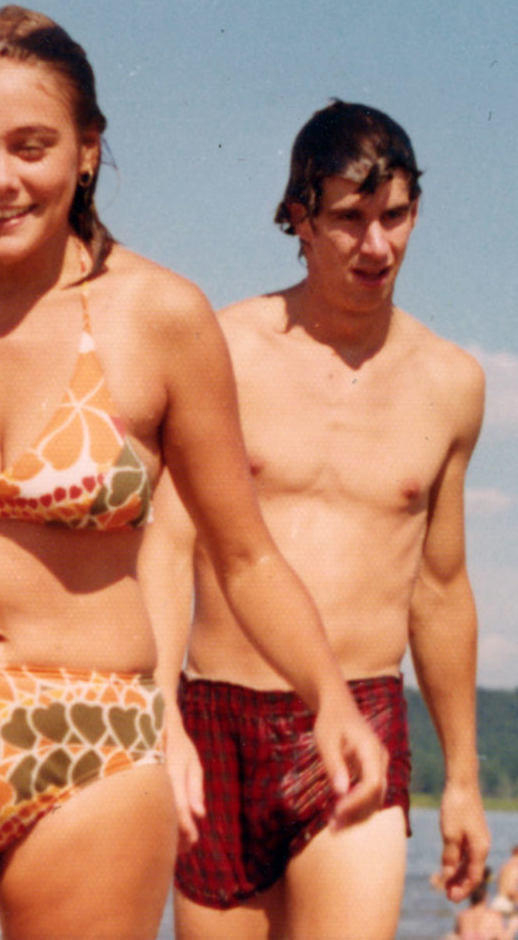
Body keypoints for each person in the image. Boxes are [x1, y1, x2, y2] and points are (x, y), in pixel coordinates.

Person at [0, 6, 387, 940]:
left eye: (32, 146)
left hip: (98, 741)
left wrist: (329, 698)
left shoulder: (163, 319)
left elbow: (244, 554)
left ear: (87, 150)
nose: (1, 178)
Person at [147, 100, 489, 940]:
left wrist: (465, 781)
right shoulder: (222, 349)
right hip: (216, 719)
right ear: (298, 217)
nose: (377, 246)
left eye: (396, 216)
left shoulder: (450, 382)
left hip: (361, 714)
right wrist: (162, 721)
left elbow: (440, 590)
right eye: (349, 219)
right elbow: (166, 543)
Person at [452, 870, 518, 940]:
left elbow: (457, 936)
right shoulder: (493, 916)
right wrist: (512, 928)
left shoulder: (462, 916)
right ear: (485, 897)